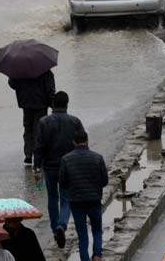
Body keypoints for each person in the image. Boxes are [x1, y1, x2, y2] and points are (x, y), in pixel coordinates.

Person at [33, 91, 84, 249]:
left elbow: (39, 146)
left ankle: (55, 229)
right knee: (65, 198)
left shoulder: (43, 122)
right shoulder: (75, 122)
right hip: (69, 166)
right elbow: (82, 143)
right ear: (67, 104)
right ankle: (62, 224)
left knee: (52, 198)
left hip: (50, 166)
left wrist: (36, 166)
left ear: (53, 104)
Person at [59, 130, 108, 261]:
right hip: (94, 200)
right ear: (87, 141)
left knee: (82, 235)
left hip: (76, 202)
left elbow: (63, 183)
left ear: (73, 142)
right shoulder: (98, 158)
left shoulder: (66, 159)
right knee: (97, 229)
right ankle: (97, 255)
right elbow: (105, 181)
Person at [8, 69, 55, 166]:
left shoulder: (19, 70)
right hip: (41, 104)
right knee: (39, 131)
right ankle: (38, 155)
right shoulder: (46, 71)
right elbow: (50, 90)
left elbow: (13, 84)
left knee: (28, 129)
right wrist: (53, 105)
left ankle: (28, 154)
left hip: (25, 103)